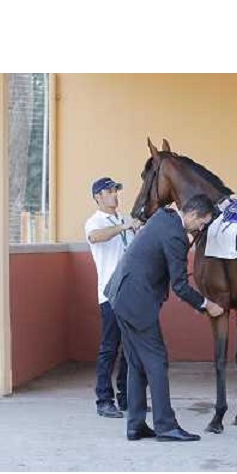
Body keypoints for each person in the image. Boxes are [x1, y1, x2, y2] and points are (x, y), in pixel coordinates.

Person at [105, 194, 224, 442]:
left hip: (120, 295)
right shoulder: (176, 236)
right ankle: (166, 426)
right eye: (202, 223)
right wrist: (206, 304)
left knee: (137, 363)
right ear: (191, 215)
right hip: (137, 303)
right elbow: (180, 285)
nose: (201, 229)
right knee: (157, 362)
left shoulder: (164, 217)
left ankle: (135, 425)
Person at [85, 176, 141, 418]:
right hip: (110, 294)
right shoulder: (95, 222)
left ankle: (126, 397)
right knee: (110, 347)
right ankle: (103, 400)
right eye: (109, 191)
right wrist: (124, 227)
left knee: (131, 348)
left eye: (116, 190)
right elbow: (96, 237)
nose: (115, 195)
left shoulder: (123, 219)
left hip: (130, 293)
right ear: (98, 196)